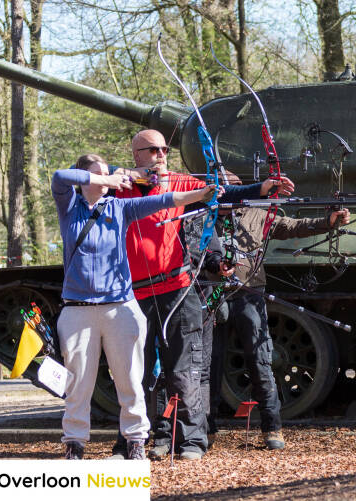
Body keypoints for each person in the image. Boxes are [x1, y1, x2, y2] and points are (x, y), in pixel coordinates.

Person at [109, 129, 295, 460]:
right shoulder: (121, 188)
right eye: (152, 150)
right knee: (136, 370)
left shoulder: (181, 183)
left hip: (177, 289)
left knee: (186, 369)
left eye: (164, 149)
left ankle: (192, 441)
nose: (160, 155)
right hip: (135, 293)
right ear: (136, 153)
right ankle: (131, 441)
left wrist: (262, 189)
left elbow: (221, 195)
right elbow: (85, 187)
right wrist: (124, 176)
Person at [52, 154, 219, 460]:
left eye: (107, 172)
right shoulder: (69, 207)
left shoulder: (120, 207)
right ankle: (75, 442)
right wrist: (108, 178)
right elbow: (59, 177)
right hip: (77, 308)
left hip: (119, 307)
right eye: (97, 174)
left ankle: (135, 441)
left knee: (130, 377)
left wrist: (200, 194)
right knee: (78, 380)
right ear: (86, 177)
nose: (106, 178)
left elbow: (167, 200)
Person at [198, 172, 350, 450]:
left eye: (233, 187)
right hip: (213, 293)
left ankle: (272, 427)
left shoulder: (258, 213)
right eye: (222, 187)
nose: (227, 191)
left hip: (248, 292)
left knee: (260, 359)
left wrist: (327, 223)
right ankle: (206, 429)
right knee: (210, 362)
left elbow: (292, 226)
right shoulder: (203, 214)